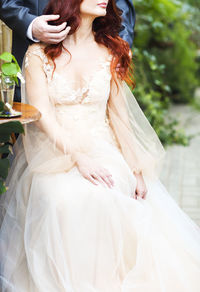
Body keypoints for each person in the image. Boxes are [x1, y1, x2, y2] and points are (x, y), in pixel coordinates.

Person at [0, 0, 200, 291]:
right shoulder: (38, 54)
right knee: (63, 200)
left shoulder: (111, 51)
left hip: (104, 146)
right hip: (55, 149)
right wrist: (79, 158)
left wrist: (136, 167)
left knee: (109, 195)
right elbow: (43, 117)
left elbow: (119, 118)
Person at [0, 0, 135, 101]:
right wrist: (29, 24)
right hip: (29, 60)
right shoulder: (35, 54)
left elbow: (121, 5)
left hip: (96, 58)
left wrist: (120, 45)